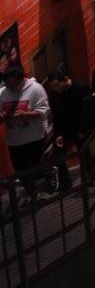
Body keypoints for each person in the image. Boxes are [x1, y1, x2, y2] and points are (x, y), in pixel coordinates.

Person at [0, 65, 50, 205]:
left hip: (34, 137)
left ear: (21, 79)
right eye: (8, 84)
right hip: (14, 140)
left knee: (34, 167)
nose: (10, 87)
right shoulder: (2, 93)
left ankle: (43, 185)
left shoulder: (36, 89)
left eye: (13, 84)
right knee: (20, 170)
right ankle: (31, 193)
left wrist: (26, 114)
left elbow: (44, 111)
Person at [45, 71, 88, 191]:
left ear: (65, 80)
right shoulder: (55, 95)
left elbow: (86, 111)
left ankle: (91, 177)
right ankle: (65, 182)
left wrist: (83, 130)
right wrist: (58, 134)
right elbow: (56, 117)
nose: (54, 89)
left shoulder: (81, 88)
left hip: (81, 127)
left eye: (56, 85)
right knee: (57, 154)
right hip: (65, 130)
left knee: (86, 152)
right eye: (52, 86)